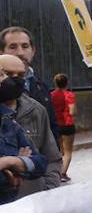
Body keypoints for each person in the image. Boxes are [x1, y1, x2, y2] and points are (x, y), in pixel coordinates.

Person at [0, 54, 62, 196]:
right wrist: (16, 164)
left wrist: (47, 192)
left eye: (21, 75)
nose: (13, 80)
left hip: (31, 207)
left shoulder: (35, 111)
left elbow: (45, 161)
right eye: (7, 74)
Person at [0, 71, 48, 205]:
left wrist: (11, 162)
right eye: (1, 74)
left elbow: (41, 163)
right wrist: (13, 173)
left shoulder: (9, 125)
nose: (7, 80)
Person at [2, 26, 56, 129]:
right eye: (13, 47)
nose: (20, 53)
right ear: (1, 52)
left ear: (33, 51)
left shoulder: (42, 87)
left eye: (25, 46)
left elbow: (52, 128)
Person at [51, 73, 76, 181]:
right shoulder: (69, 95)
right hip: (67, 125)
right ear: (67, 83)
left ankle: (56, 171)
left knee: (59, 150)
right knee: (68, 151)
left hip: (56, 124)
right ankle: (63, 173)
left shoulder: (51, 95)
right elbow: (72, 111)